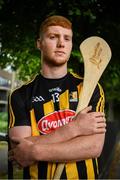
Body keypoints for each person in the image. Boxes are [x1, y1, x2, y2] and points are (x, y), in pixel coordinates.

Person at [8, 15, 106, 179]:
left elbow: (94, 147)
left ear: (71, 44)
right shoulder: (20, 94)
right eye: (53, 37)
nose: (61, 43)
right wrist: (74, 129)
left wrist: (35, 150)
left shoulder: (90, 87)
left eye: (67, 38)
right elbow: (20, 151)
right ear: (39, 43)